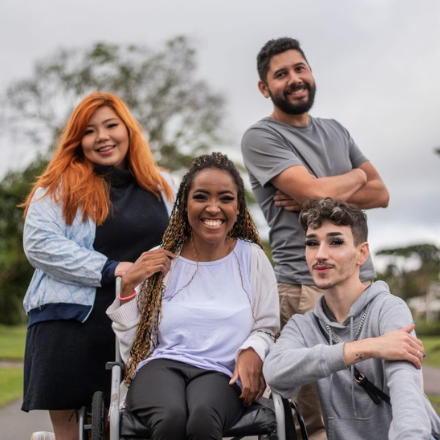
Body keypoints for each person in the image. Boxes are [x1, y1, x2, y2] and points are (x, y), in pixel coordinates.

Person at [241, 37, 390, 438]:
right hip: (305, 289)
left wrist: (334, 186)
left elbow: (382, 193)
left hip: (362, 284)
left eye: (299, 68)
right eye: (281, 74)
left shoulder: (336, 131)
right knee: (320, 419)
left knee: (378, 405)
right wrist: (353, 177)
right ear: (264, 87)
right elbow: (314, 193)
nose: (294, 79)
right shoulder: (261, 137)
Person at [21, 92, 175, 440]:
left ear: (128, 130)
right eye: (90, 131)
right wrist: (116, 269)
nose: (102, 136)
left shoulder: (165, 186)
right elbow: (39, 243)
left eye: (111, 125)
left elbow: (194, 230)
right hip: (72, 324)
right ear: (78, 141)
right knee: (75, 431)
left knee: (142, 425)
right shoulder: (58, 187)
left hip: (146, 324)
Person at [107, 152, 280, 440]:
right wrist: (127, 289)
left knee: (202, 417)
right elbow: (134, 348)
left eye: (225, 198)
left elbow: (266, 327)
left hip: (221, 372)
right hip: (159, 367)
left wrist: (254, 350)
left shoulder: (252, 258)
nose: (213, 208)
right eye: (201, 197)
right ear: (185, 203)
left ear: (238, 207)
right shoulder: (159, 259)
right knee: (171, 417)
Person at [264, 198, 440, 440]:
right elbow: (275, 373)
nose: (320, 255)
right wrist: (363, 348)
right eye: (312, 243)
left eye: (336, 242)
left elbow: (407, 397)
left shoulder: (389, 309)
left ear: (362, 253)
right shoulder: (302, 326)